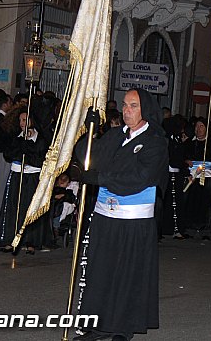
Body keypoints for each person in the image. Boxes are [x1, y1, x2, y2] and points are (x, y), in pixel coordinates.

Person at [74, 88, 168, 341]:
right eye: (125, 105)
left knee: (127, 274)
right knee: (100, 270)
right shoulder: (115, 136)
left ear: (145, 109)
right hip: (106, 215)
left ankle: (122, 328)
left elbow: (140, 178)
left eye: (134, 106)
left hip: (133, 220)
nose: (127, 111)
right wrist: (89, 131)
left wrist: (101, 178)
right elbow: (88, 158)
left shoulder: (155, 141)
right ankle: (96, 325)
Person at [0, 109, 49, 254]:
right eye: (20, 120)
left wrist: (26, 150)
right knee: (13, 207)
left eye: (25, 120)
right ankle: (10, 239)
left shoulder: (41, 140)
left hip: (32, 177)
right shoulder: (16, 137)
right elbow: (8, 155)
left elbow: (39, 160)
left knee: (29, 207)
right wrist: (22, 146)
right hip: (16, 174)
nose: (21, 123)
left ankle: (31, 241)